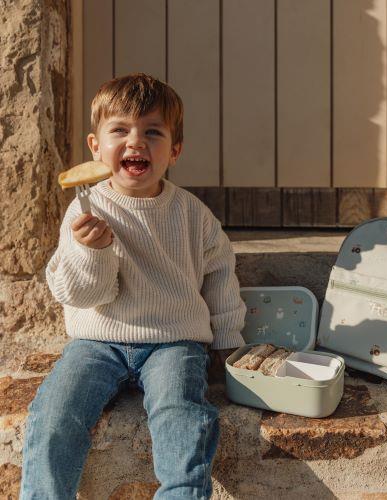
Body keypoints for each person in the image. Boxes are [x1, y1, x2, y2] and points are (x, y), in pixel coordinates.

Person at [20, 73, 246, 499]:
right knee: (53, 416)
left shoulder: (192, 215)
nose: (136, 142)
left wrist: (228, 339)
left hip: (172, 341)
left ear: (174, 150)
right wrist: (93, 252)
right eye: (119, 130)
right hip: (96, 341)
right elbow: (80, 294)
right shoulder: (84, 211)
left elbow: (219, 275)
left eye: (153, 132)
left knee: (183, 416)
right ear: (96, 147)